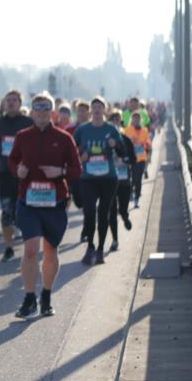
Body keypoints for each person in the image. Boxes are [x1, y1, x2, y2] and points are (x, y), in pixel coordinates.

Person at [9, 92, 83, 319]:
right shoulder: (23, 136)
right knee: (31, 249)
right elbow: (12, 161)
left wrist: (59, 172)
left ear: (52, 112)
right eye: (37, 108)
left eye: (45, 108)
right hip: (28, 202)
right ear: (31, 112)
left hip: (55, 202)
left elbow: (77, 170)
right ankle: (29, 297)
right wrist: (17, 170)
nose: (41, 112)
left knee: (50, 251)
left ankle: (47, 296)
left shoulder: (63, 138)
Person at [73, 97, 124, 265]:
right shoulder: (82, 129)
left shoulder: (112, 129)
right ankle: (90, 246)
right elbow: (72, 150)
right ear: (89, 111)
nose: (96, 110)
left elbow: (123, 151)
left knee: (103, 213)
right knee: (89, 212)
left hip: (108, 178)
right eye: (93, 107)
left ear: (104, 110)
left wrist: (114, 143)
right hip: (88, 178)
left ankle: (100, 249)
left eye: (99, 107)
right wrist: (81, 156)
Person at [0, 90, 33, 262]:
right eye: (8, 100)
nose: (11, 103)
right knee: (6, 210)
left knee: (23, 211)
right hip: (4, 172)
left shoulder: (28, 122)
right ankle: (8, 247)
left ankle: (29, 245)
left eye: (14, 100)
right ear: (4, 104)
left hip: (24, 174)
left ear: (20, 103)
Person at [107, 110, 134, 251]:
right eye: (112, 120)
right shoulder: (105, 140)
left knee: (122, 208)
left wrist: (124, 160)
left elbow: (133, 159)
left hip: (124, 180)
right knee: (111, 210)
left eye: (117, 120)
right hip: (109, 180)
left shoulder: (125, 139)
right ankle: (115, 240)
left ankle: (125, 216)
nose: (115, 123)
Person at [124, 110, 152, 208]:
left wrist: (146, 144)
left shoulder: (144, 130)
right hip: (131, 158)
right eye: (134, 118)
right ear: (132, 119)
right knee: (131, 179)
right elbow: (123, 142)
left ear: (140, 119)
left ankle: (137, 199)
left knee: (138, 179)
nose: (136, 120)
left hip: (141, 158)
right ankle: (130, 192)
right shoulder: (127, 130)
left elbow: (148, 142)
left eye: (138, 118)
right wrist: (130, 142)